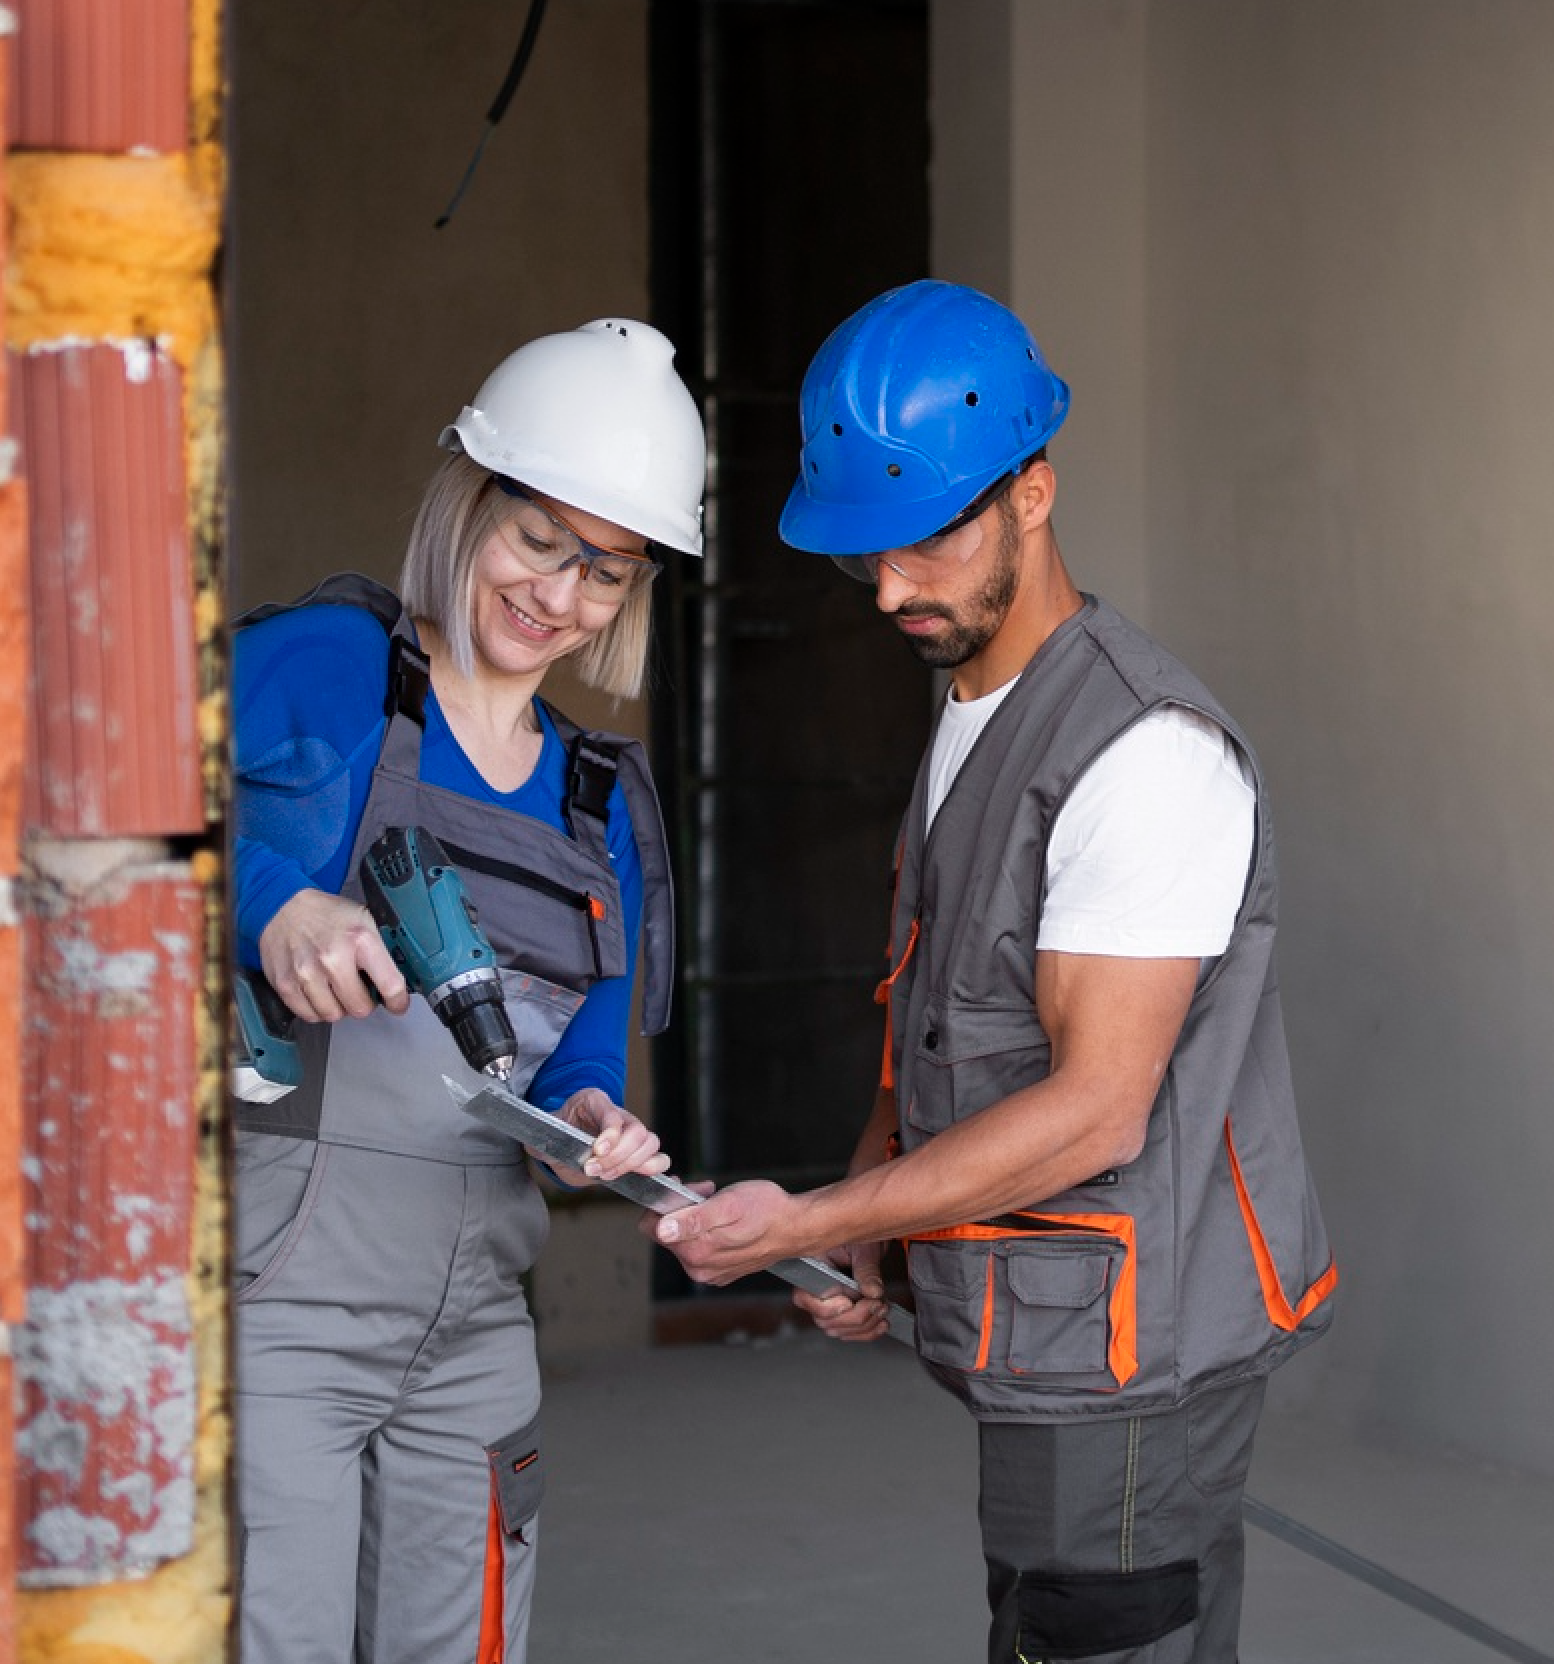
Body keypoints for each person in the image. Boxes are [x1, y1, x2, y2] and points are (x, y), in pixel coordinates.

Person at [653, 279, 1337, 1664]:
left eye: (928, 538)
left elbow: (1095, 1111)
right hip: (1051, 1356)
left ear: (1034, 492)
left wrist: (804, 1218)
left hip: (1128, 1371)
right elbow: (947, 1018)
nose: (893, 587)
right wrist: (870, 1222)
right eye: (866, 557)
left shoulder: (1143, 756)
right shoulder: (980, 707)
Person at [229, 318, 702, 1664]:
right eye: (539, 538)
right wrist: (272, 903)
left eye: (606, 571)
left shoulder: (596, 797)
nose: (559, 593)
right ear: (468, 501)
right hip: (286, 1312)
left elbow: (567, 1073)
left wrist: (601, 1129)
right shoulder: (321, 664)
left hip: (480, 1327)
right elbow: (70, 800)